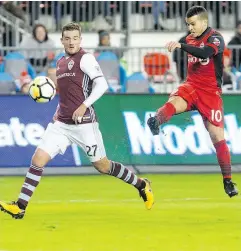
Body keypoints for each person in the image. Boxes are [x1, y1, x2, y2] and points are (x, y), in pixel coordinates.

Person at [0, 22, 154, 219]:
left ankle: (141, 184)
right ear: (62, 40)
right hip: (61, 123)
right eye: (67, 38)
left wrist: (83, 105)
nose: (71, 42)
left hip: (85, 124)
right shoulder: (60, 62)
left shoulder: (86, 59)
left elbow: (102, 84)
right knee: (38, 159)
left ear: (80, 40)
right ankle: (20, 206)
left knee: (103, 166)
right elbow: (66, 92)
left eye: (75, 38)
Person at [147, 6, 238, 198]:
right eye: (188, 24)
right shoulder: (189, 38)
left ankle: (228, 180)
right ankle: (156, 121)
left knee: (217, 136)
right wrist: (181, 46)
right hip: (192, 85)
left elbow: (205, 53)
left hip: (210, 92)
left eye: (193, 24)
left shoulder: (215, 38)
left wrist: (180, 46)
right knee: (174, 101)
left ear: (204, 22)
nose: (190, 28)